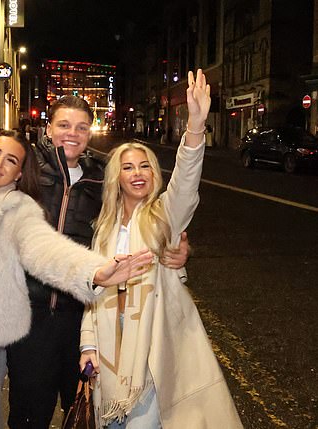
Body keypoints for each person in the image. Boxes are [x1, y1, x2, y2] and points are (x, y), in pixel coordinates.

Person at [0, 93, 190, 428]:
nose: (72, 133)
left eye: (81, 127)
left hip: (81, 315)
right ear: (48, 127)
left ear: (89, 133)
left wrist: (171, 246)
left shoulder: (102, 177)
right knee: (29, 413)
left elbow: (140, 207)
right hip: (30, 318)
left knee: (84, 409)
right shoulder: (25, 166)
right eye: (64, 125)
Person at [79, 70, 242, 428]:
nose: (138, 174)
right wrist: (87, 345)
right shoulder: (103, 229)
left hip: (152, 344)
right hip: (110, 343)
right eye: (128, 167)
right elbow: (93, 292)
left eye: (145, 167)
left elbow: (185, 182)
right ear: (116, 178)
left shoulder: (163, 215)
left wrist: (195, 127)